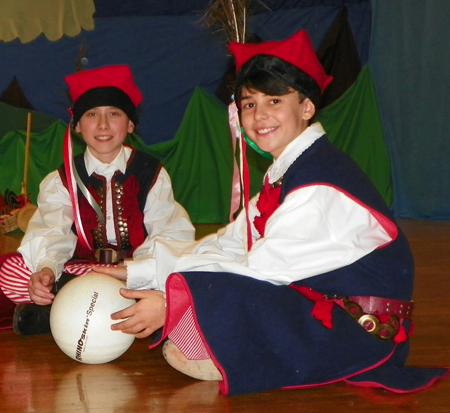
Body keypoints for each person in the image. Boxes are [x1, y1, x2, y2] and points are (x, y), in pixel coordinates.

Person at [94, 31, 449, 395]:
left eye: (275, 100)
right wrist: (141, 271)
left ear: (307, 107)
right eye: (249, 104)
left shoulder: (318, 185)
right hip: (313, 297)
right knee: (188, 323)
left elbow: (261, 269)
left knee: (189, 333)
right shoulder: (289, 171)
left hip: (357, 329)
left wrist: (170, 302)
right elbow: (232, 241)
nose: (259, 116)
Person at [0, 64, 195, 335]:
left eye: (114, 114)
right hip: (81, 270)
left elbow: (168, 234)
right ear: (78, 125)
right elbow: (51, 230)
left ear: (130, 124)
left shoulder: (151, 173)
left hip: (135, 273)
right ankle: (101, 312)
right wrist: (45, 270)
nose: (103, 125)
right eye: (92, 114)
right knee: (13, 270)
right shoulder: (62, 179)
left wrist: (136, 271)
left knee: (186, 272)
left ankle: (60, 315)